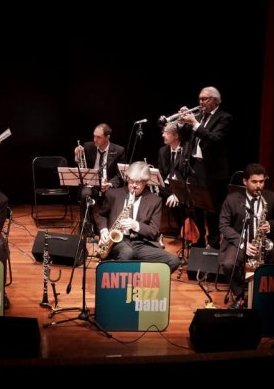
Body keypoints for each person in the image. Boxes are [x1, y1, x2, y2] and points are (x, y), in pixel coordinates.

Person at [217, 163, 274, 309]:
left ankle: (269, 297)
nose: (258, 186)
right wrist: (242, 243)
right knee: (229, 264)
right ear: (245, 181)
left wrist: (270, 224)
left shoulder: (271, 197)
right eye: (254, 182)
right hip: (240, 242)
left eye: (261, 181)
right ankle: (240, 295)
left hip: (262, 242)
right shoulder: (232, 199)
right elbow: (223, 225)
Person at [95, 161, 181, 272]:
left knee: (174, 261)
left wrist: (135, 225)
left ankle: (144, 283)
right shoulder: (113, 194)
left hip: (141, 244)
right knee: (127, 253)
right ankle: (122, 287)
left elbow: (153, 231)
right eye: (131, 181)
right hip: (119, 242)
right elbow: (101, 215)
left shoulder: (155, 201)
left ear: (146, 182)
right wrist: (104, 231)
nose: (134, 185)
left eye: (138, 182)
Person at [176, 86, 232, 249]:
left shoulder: (225, 118)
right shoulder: (200, 116)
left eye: (204, 99)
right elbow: (186, 137)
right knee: (195, 209)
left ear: (215, 100)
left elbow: (214, 139)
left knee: (212, 210)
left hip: (213, 171)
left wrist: (194, 123)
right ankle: (198, 243)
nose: (200, 102)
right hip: (195, 167)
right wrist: (181, 123)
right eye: (199, 99)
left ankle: (213, 245)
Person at [73, 123, 124, 234]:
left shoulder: (119, 150)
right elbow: (80, 166)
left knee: (113, 196)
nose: (95, 140)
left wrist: (110, 184)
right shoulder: (88, 146)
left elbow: (120, 175)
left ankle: (108, 228)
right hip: (92, 183)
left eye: (98, 137)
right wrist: (77, 155)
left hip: (108, 184)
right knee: (85, 193)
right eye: (94, 136)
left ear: (107, 137)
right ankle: (87, 228)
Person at [156, 122, 190, 237]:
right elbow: (161, 173)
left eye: (166, 133)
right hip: (167, 186)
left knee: (180, 201)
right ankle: (153, 229)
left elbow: (188, 177)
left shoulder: (187, 150)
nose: (163, 135)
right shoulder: (162, 151)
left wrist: (176, 193)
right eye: (163, 132)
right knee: (150, 194)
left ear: (176, 136)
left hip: (183, 186)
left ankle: (186, 231)